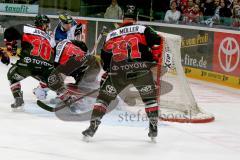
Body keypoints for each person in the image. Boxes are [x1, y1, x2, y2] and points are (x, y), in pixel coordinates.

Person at [82, 4, 163, 141]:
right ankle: (153, 127)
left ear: (122, 18)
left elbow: (105, 58)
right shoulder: (143, 29)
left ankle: (92, 127)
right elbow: (159, 42)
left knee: (103, 99)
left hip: (118, 71)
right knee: (149, 99)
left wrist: (108, 71)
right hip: (140, 69)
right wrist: (153, 59)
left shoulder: (111, 35)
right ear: (136, 18)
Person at [4, 15, 55, 110]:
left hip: (26, 64)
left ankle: (18, 98)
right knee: (53, 80)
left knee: (11, 75)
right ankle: (65, 96)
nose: (48, 26)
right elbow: (54, 55)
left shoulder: (26, 28)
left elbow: (8, 32)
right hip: (45, 68)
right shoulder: (50, 38)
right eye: (47, 24)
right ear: (43, 25)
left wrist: (10, 45)